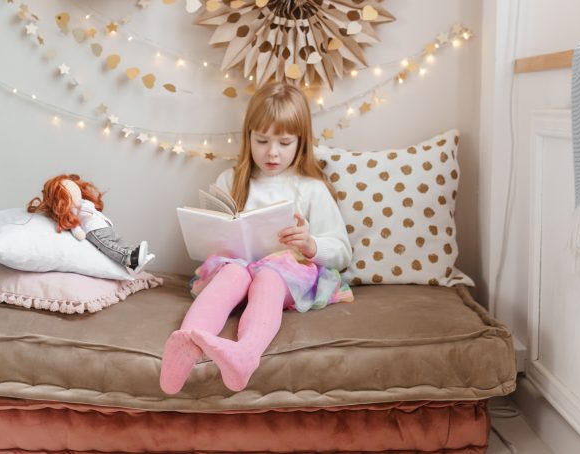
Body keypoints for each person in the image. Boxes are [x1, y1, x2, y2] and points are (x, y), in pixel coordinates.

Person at [160, 82, 354, 394]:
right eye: (261, 140)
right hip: (238, 270)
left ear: (301, 143)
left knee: (269, 275)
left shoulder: (310, 188)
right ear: (248, 137)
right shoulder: (231, 180)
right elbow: (212, 240)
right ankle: (187, 342)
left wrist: (310, 244)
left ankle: (246, 353)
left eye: (284, 142)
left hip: (285, 278)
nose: (272, 151)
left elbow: (343, 252)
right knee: (234, 271)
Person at [27, 174, 155, 273]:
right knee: (108, 245)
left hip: (104, 226)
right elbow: (71, 223)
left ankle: (137, 258)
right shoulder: (69, 209)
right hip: (93, 231)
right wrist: (78, 232)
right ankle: (128, 258)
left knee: (119, 241)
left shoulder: (82, 201)